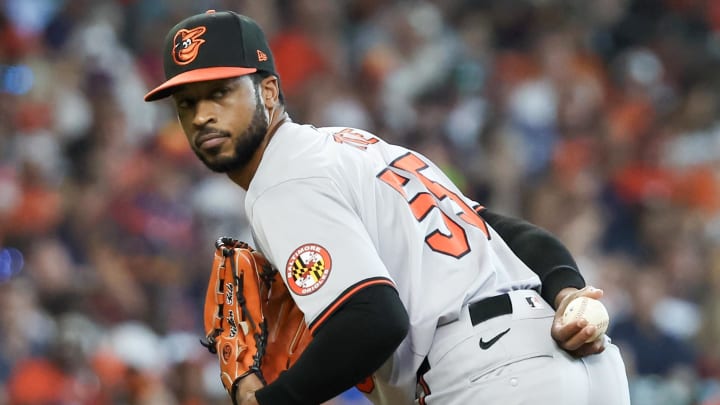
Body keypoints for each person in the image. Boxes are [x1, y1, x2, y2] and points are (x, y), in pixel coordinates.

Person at [144, 10, 631, 405]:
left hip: (489, 377)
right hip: (581, 366)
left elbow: (373, 319)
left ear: (268, 91)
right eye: (185, 104)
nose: (202, 114)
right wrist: (567, 292)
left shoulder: (281, 179)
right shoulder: (358, 147)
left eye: (220, 92)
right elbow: (506, 233)